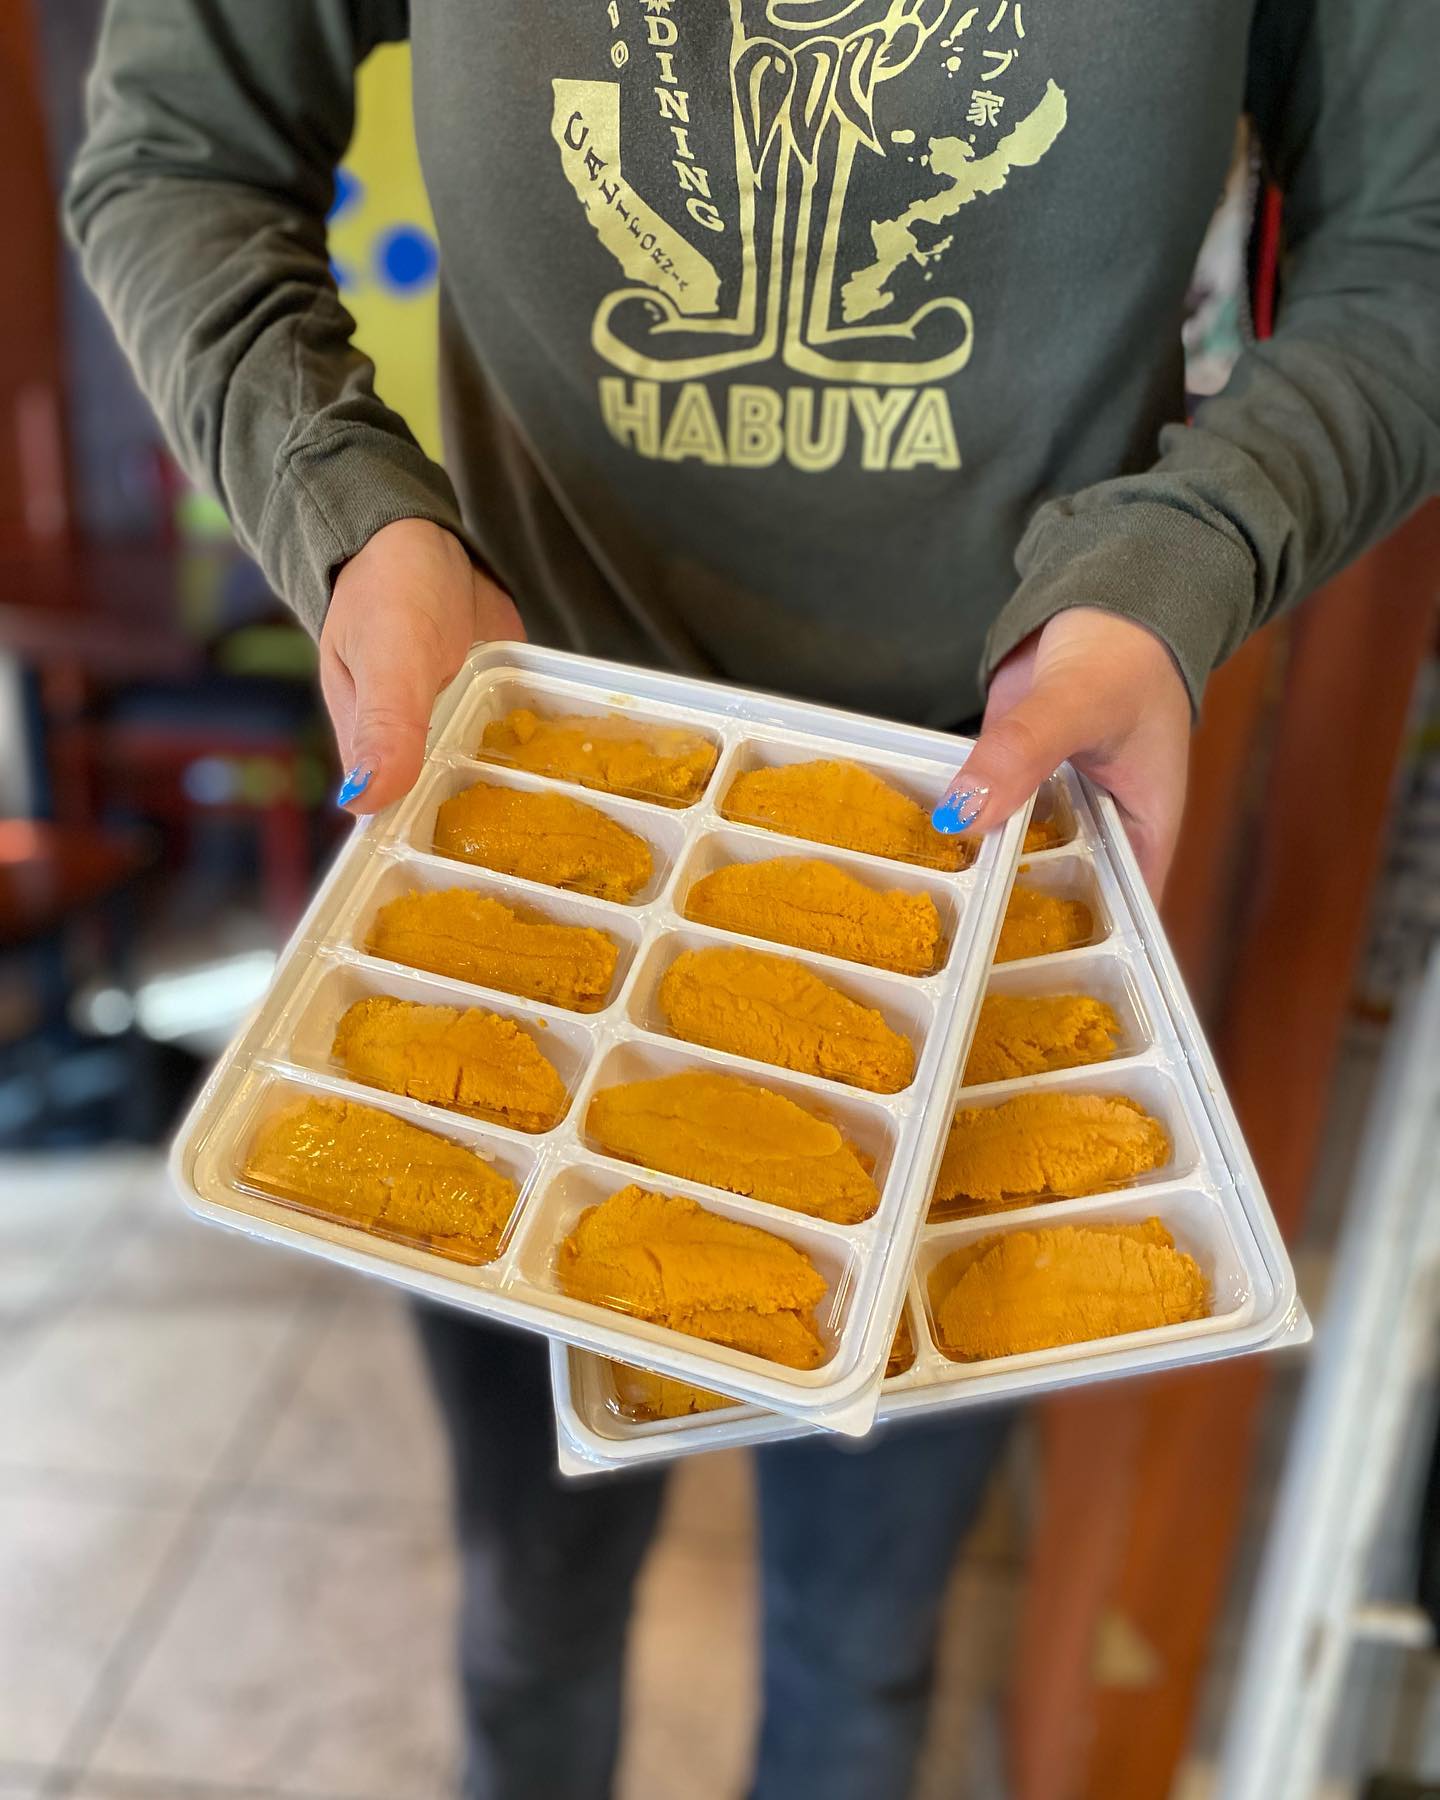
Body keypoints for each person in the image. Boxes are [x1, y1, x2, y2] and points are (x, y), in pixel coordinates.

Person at [67, 3, 1439, 1796]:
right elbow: (177, 151)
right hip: (527, 832)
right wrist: (351, 514)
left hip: (981, 861)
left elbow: (1413, 239)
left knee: (860, 1656)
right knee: (533, 1607)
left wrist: (1189, 554)